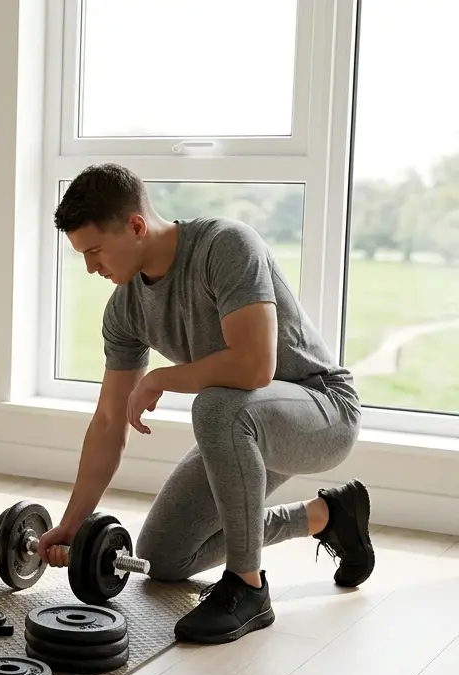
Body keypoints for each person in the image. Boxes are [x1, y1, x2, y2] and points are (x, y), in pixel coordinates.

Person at [36, 163, 375, 645]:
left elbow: (256, 366)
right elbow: (110, 421)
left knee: (216, 406)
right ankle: (327, 516)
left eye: (94, 251)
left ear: (135, 225)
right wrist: (71, 526)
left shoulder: (226, 246)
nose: (91, 267)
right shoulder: (126, 308)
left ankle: (248, 586)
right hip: (247, 426)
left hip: (322, 411)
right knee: (164, 558)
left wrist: (164, 377)